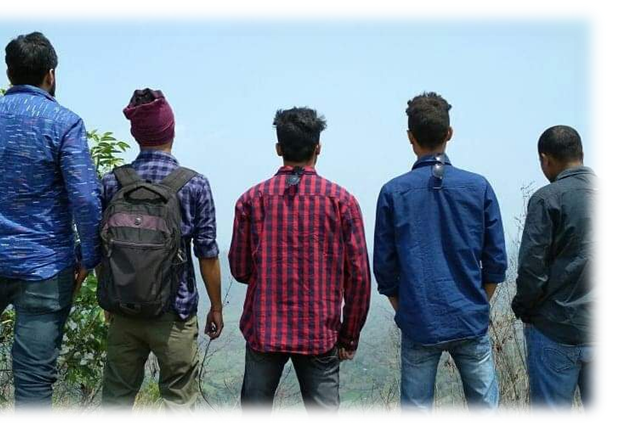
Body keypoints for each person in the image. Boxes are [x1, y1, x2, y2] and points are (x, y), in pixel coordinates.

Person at [0, 32, 102, 420]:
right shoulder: (64, 124)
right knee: (33, 376)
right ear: (51, 74)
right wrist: (89, 254)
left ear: (9, 73)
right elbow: (85, 198)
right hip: (46, 268)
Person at [229, 107, 371, 421]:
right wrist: (349, 336)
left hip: (264, 330)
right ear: (318, 147)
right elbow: (359, 276)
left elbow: (239, 270)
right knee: (324, 416)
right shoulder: (342, 201)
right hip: (319, 332)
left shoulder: (251, 200)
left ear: (279, 149)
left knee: (254, 414)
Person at [374, 92, 507, 421]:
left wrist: (407, 309)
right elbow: (496, 262)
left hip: (420, 320)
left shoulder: (393, 192)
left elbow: (385, 268)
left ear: (410, 138)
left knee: (417, 414)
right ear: (449, 133)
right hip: (469, 318)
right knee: (487, 414)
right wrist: (478, 301)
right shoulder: (479, 187)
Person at [100, 88, 224, 421]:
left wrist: (109, 298)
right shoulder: (195, 185)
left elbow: (102, 247)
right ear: (171, 130)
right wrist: (215, 306)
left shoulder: (112, 182)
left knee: (115, 405)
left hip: (123, 311)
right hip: (175, 314)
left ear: (135, 134)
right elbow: (207, 253)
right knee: (179, 407)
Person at [512, 125, 606, 420]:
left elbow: (532, 269)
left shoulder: (547, 199)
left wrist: (524, 308)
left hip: (556, 329)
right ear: (581, 154)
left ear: (545, 159)